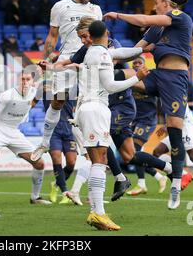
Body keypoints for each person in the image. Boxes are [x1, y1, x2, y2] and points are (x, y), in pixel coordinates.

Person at [103, 0, 193, 209]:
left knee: (175, 131)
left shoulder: (181, 17)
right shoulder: (156, 29)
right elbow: (137, 48)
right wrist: (111, 58)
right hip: (156, 75)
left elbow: (144, 20)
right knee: (115, 75)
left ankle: (175, 182)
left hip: (176, 81)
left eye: (157, 3)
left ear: (167, 3)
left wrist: (117, 15)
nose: (154, 7)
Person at [77, 21, 148, 230]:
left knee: (97, 160)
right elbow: (110, 86)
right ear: (107, 33)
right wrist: (137, 77)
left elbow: (121, 52)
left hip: (85, 109)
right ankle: (98, 213)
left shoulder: (94, 51)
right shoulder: (102, 55)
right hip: (96, 108)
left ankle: (96, 212)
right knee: (99, 161)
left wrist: (143, 49)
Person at [30, 0, 103, 161]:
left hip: (88, 63)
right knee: (58, 101)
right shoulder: (60, 6)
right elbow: (52, 36)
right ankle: (45, 142)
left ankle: (89, 150)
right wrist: (45, 60)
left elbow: (100, 38)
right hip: (66, 61)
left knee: (87, 107)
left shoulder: (96, 10)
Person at [0, 71, 54, 207]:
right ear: (18, 80)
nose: (24, 82)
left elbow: (47, 81)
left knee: (39, 163)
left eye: (27, 79)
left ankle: (35, 197)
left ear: (32, 81)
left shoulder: (35, 92)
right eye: (22, 79)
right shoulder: (7, 96)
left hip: (14, 131)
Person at [127, 56, 167, 196]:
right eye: (135, 63)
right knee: (131, 155)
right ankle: (158, 176)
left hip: (147, 120)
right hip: (134, 121)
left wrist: (166, 120)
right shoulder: (130, 81)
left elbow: (163, 98)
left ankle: (142, 184)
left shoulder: (150, 79)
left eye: (140, 62)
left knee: (134, 151)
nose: (137, 64)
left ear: (144, 65)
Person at [152, 104, 193, 190]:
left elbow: (180, 113)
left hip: (187, 127)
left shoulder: (174, 93)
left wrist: (166, 126)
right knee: (157, 152)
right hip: (175, 127)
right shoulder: (164, 96)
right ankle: (184, 174)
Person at [46, 98, 78, 204]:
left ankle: (55, 184)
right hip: (53, 130)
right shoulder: (46, 86)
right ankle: (65, 192)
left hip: (68, 128)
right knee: (56, 157)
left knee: (71, 162)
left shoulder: (75, 87)